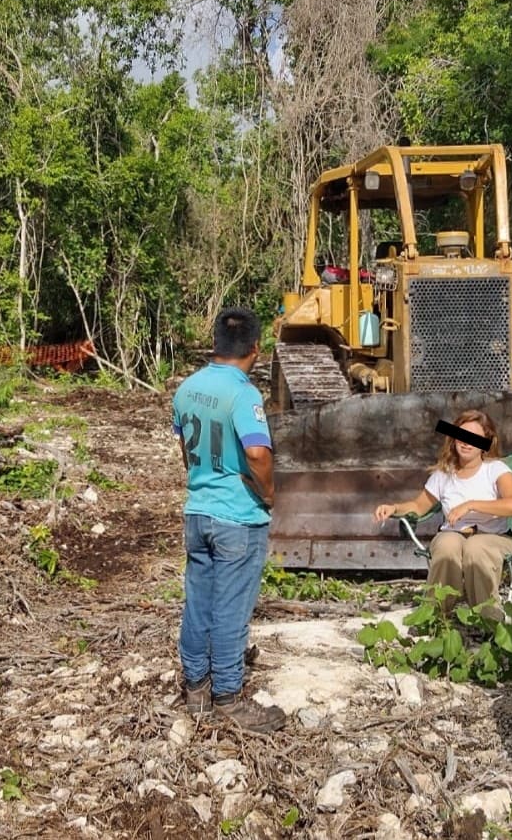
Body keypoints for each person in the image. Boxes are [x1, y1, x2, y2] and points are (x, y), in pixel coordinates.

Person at [172, 306, 286, 733]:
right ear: (256, 348)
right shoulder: (244, 395)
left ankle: (196, 688)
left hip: (198, 512)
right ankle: (228, 697)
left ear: (215, 343)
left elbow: (185, 450)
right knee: (231, 610)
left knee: (198, 602)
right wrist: (268, 493)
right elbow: (256, 452)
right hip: (237, 517)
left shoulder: (187, 388)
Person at [372, 409, 512, 615]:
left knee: (476, 547)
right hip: (453, 534)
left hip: (493, 537)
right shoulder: (443, 474)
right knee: (447, 544)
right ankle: (435, 616)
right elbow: (418, 506)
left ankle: (489, 618)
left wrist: (471, 504)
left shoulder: (495, 469)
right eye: (461, 436)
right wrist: (394, 508)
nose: (466, 443)